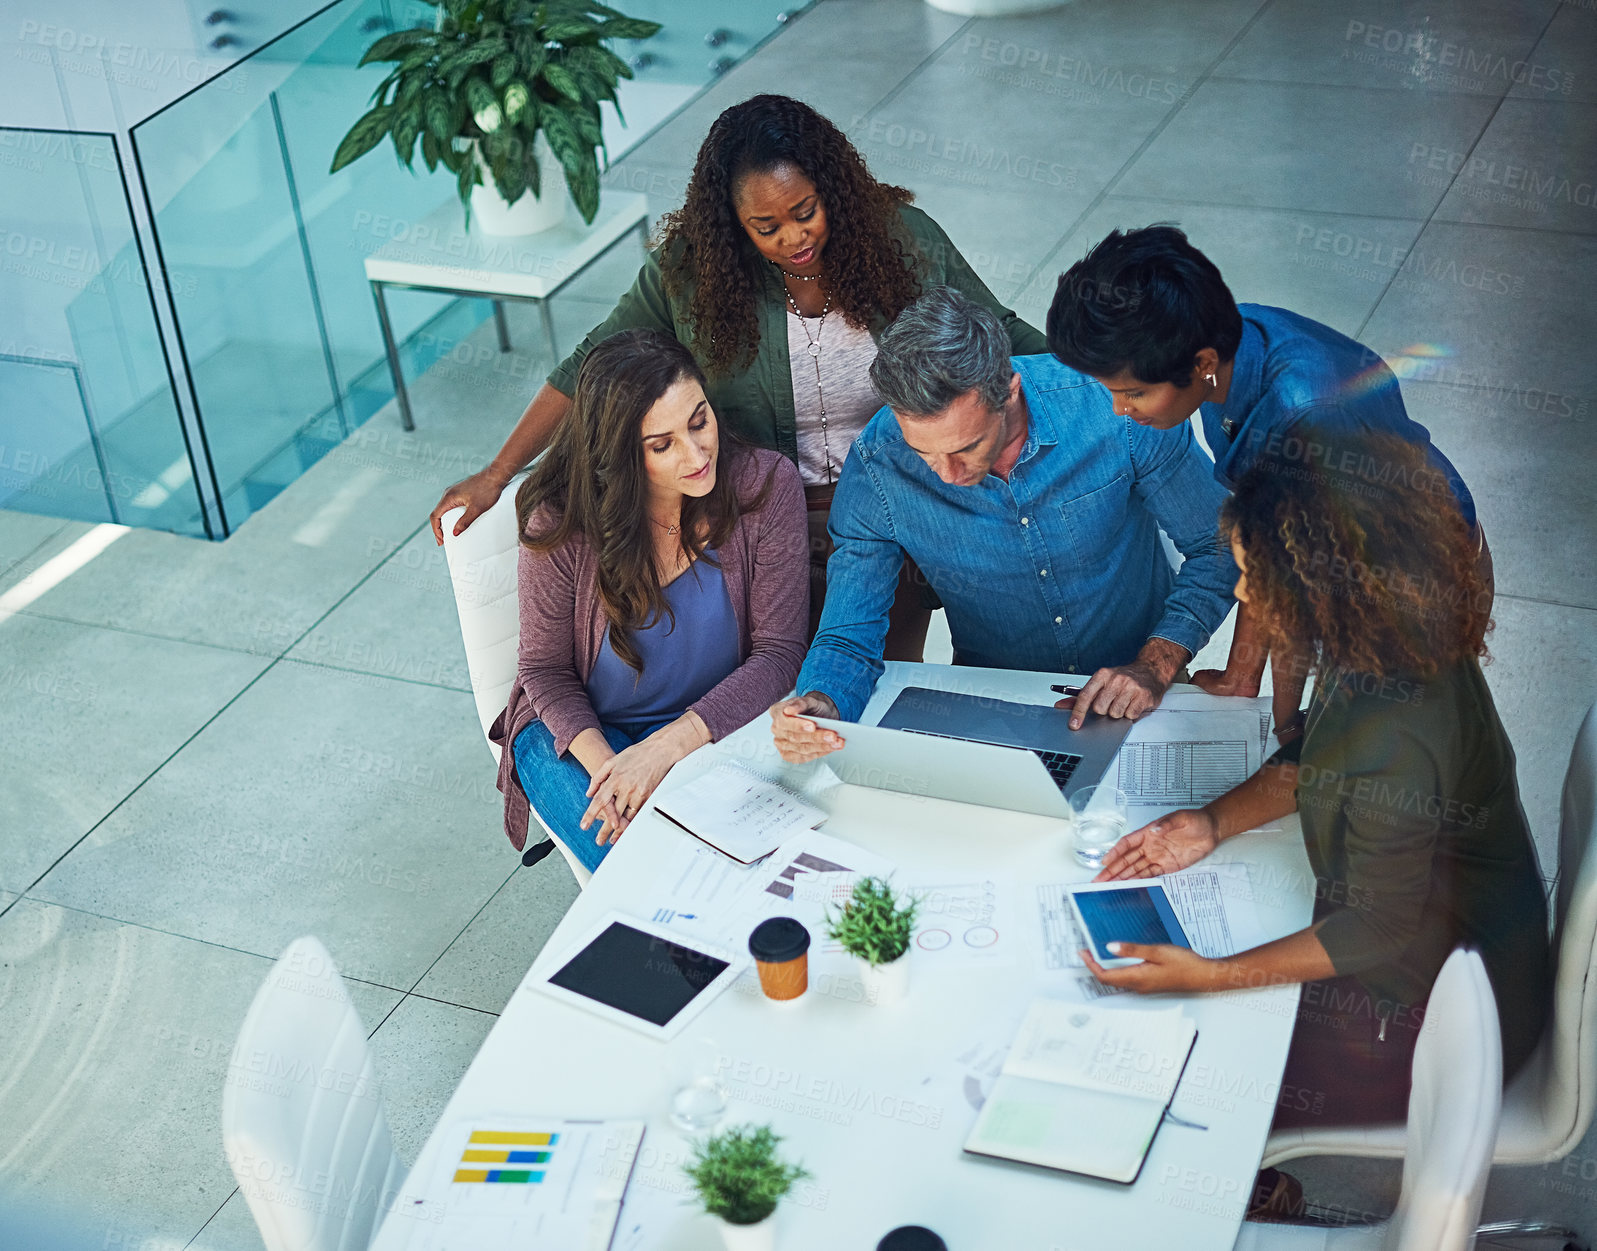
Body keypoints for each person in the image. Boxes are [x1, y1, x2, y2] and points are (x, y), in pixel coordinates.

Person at [1081, 434, 1549, 1211]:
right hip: (1441, 952)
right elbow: (1314, 754)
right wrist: (1210, 820)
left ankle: (1247, 1189)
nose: (1238, 595)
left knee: (1178, 1058)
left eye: (1251, 575)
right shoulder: (1388, 634)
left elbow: (1377, 928)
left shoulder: (1395, 734)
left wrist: (1214, 976)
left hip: (1439, 1021)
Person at [430, 93, 1048, 660]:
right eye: (766, 227)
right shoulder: (692, 271)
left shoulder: (903, 240)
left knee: (882, 676)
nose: (794, 237)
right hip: (768, 516)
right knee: (782, 683)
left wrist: (1116, 386)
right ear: (733, 222)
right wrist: (496, 474)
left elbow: (999, 335)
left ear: (832, 187)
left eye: (806, 212)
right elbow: (589, 364)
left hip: (895, 508)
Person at [1046, 224, 1485, 743]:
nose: (1121, 410)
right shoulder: (1225, 346)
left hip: (1411, 581)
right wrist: (1241, 679)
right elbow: (1265, 550)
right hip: (1324, 557)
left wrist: (1284, 724)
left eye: (1135, 393)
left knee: (1396, 749)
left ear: (1201, 364)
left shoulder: (1306, 420)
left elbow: (1293, 586)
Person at [770, 285, 1236, 761]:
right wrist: (821, 703)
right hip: (996, 711)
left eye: (965, 447)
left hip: (1141, 690)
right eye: (924, 453)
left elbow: (1220, 546)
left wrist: (1155, 664)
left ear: (1010, 390)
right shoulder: (878, 463)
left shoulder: (1116, 412)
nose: (948, 475)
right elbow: (850, 633)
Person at [490, 329, 808, 873]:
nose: (697, 453)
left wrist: (664, 750)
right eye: (662, 445)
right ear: (618, 454)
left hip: (714, 727)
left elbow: (779, 654)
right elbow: (544, 671)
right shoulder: (561, 522)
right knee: (652, 862)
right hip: (578, 735)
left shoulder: (765, 488)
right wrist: (615, 774)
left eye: (699, 421)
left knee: (739, 859)